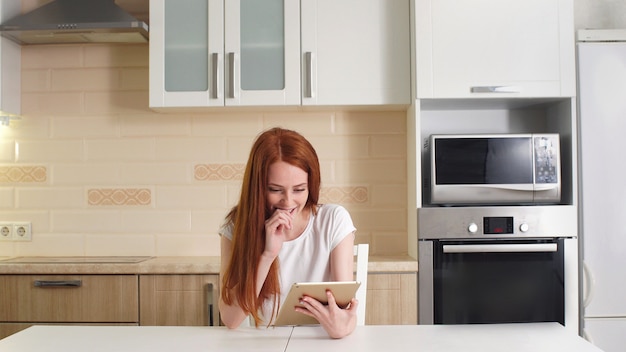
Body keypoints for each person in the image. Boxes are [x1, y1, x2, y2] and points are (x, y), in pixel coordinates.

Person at [218, 127, 358, 339]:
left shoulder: (333, 221)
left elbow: (344, 306)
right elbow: (231, 319)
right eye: (275, 190)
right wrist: (267, 255)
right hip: (263, 342)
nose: (288, 201)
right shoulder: (236, 226)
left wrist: (344, 327)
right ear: (257, 187)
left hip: (320, 340)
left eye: (299, 189)